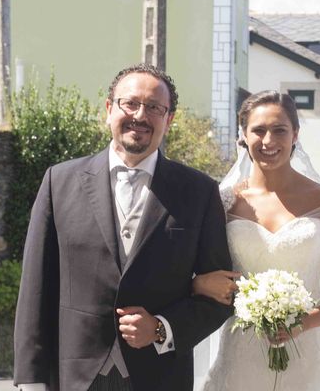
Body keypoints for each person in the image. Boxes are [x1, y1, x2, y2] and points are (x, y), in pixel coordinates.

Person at [13, 63, 233, 391]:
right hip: (76, 376)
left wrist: (162, 328)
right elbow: (36, 288)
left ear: (169, 119)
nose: (140, 116)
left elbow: (220, 293)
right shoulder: (58, 182)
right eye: (129, 103)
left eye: (155, 108)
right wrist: (31, 380)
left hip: (160, 376)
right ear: (108, 109)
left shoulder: (199, 192)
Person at [193, 90, 320, 390]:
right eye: (258, 131)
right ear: (244, 136)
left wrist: (303, 323)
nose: (268, 141)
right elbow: (196, 273)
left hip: (311, 357)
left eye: (279, 130)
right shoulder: (223, 203)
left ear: (295, 135)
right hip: (242, 352)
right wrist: (199, 283)